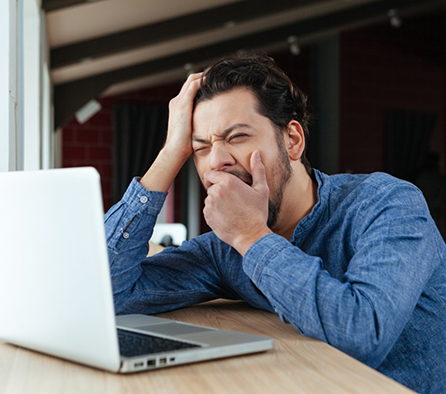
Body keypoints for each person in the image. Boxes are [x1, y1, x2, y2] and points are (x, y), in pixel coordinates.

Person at [105, 55, 446, 393]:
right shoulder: (225, 251)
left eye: (237, 136)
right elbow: (109, 293)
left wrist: (253, 237)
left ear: (293, 140)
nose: (217, 161)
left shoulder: (387, 202)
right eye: (201, 148)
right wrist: (170, 153)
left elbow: (361, 333)